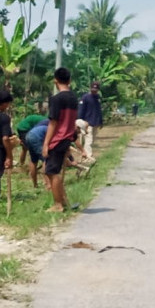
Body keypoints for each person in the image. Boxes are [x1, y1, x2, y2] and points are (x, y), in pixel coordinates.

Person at [43, 68, 78, 212]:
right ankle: (63, 200)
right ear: (69, 81)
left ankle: (58, 204)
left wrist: (46, 143)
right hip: (68, 137)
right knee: (53, 170)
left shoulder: (56, 99)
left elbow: (53, 122)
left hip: (58, 138)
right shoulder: (73, 98)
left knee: (52, 171)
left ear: (55, 81)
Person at [78, 81, 103, 160]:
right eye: (93, 89)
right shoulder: (85, 97)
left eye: (96, 89)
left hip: (95, 122)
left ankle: (87, 154)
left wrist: (101, 121)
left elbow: (99, 110)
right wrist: (81, 121)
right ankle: (88, 156)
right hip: (87, 122)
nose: (94, 90)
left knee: (92, 140)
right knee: (89, 139)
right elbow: (81, 110)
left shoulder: (98, 98)